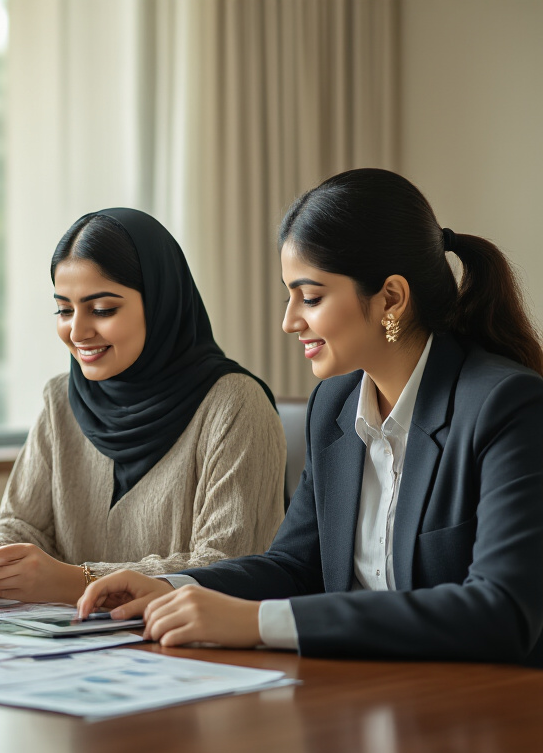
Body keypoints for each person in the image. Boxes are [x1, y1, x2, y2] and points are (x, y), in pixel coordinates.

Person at [78, 168, 543, 665]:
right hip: (362, 697)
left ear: (391, 298)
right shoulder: (335, 405)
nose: (289, 320)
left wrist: (258, 623)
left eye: (312, 297)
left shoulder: (506, 405)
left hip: (482, 712)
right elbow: (295, 566)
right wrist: (169, 587)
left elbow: (502, 611)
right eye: (289, 295)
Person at [0, 208, 286, 604]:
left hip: (194, 652)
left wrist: (79, 580)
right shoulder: (61, 400)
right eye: (64, 309)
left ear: (161, 303)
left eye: (102, 309)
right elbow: (24, 524)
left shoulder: (235, 405)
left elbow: (226, 567)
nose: (77, 331)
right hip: (74, 651)